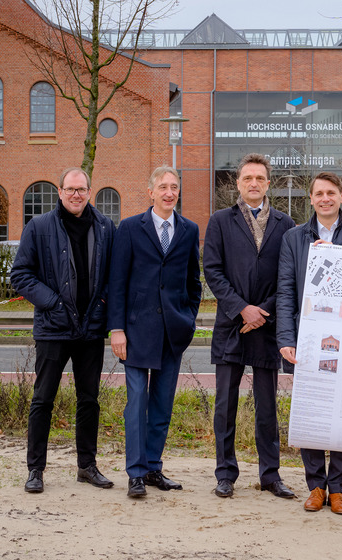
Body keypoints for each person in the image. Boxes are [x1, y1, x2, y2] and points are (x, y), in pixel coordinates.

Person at [277, 171, 342, 515]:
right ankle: (316, 486)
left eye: (331, 192)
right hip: (307, 338)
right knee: (311, 412)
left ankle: (338, 489)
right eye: (319, 193)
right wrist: (286, 339)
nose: (325, 198)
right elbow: (286, 290)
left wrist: (337, 257)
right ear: (310, 198)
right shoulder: (293, 238)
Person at [11, 167, 115, 494]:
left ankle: (87, 466)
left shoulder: (105, 227)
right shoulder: (39, 227)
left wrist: (102, 305)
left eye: (81, 189)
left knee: (89, 401)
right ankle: (35, 470)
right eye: (70, 189)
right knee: (43, 400)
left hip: (90, 330)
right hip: (53, 329)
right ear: (59, 191)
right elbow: (21, 275)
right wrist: (54, 304)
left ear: (89, 191)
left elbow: (114, 276)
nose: (76, 195)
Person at [203, 153, 297, 499]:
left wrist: (263, 312)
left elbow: (289, 278)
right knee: (225, 404)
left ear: (268, 183)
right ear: (238, 183)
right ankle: (225, 473)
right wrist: (242, 309)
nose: (253, 184)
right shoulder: (220, 221)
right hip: (231, 323)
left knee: (267, 406)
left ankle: (270, 475)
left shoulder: (286, 225)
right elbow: (212, 270)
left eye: (259, 178)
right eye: (247, 178)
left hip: (267, 327)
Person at [107, 166, 202, 499]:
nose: (169, 192)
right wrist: (116, 328)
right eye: (162, 186)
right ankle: (134, 473)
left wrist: (187, 319)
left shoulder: (189, 230)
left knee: (162, 404)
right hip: (135, 332)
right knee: (137, 403)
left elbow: (194, 281)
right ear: (150, 192)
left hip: (172, 333)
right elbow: (117, 281)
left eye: (174, 187)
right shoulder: (131, 228)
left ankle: (152, 468)